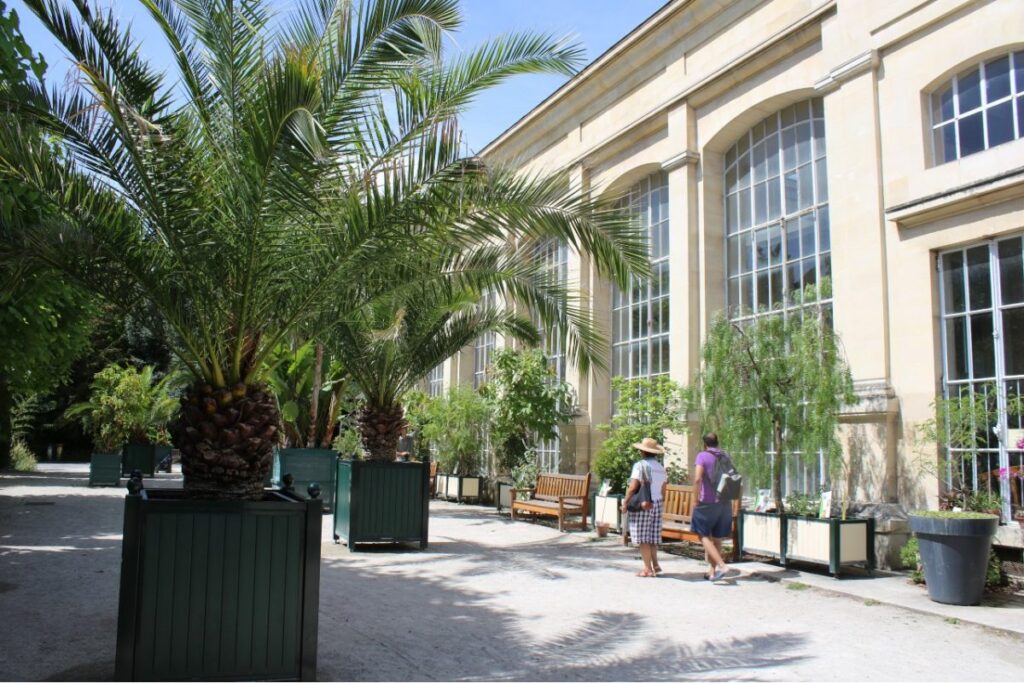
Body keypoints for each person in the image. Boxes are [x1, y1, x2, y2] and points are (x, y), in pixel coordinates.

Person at [621, 437, 668, 577]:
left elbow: (633, 487)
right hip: (657, 503)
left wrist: (625, 502)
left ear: (642, 451)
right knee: (652, 537)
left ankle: (647, 568)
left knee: (643, 538)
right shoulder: (661, 468)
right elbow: (663, 490)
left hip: (644, 503)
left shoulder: (640, 465)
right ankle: (656, 565)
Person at [693, 432, 733, 582]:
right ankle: (712, 571)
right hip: (725, 501)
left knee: (702, 534)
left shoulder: (702, 456)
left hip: (707, 502)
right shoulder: (725, 456)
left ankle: (722, 566)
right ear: (718, 442)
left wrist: (695, 499)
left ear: (705, 444)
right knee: (717, 538)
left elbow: (697, 479)